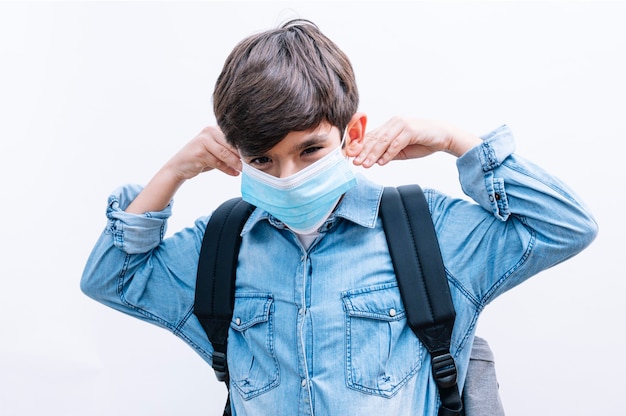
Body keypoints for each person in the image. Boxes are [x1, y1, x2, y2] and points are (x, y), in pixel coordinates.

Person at [80, 19, 597, 415]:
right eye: (262, 159)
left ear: (352, 134)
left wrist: (454, 142)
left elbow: (564, 225)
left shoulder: (427, 234)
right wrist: (173, 171)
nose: (287, 176)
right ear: (236, 155)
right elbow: (111, 277)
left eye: (309, 150)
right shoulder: (219, 247)